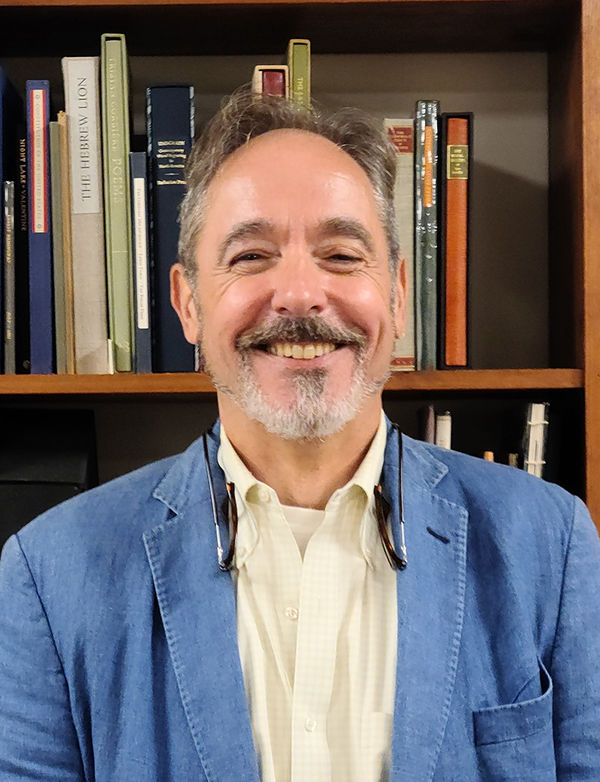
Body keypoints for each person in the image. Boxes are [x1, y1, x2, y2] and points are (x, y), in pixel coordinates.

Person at [1, 87, 599, 782]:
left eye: (342, 255)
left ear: (399, 295)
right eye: (251, 256)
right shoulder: (48, 578)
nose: (300, 295)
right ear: (188, 304)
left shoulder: (551, 547)